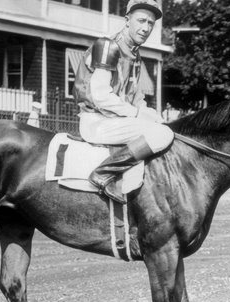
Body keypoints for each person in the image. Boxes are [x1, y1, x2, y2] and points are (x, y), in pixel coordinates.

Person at [73, 0, 173, 204]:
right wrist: (137, 114)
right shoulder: (108, 46)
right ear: (127, 20)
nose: (146, 28)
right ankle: (103, 173)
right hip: (97, 121)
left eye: (150, 23)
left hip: (115, 122)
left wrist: (151, 114)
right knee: (163, 134)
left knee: (162, 126)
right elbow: (101, 96)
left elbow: (137, 99)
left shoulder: (136, 55)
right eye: (141, 21)